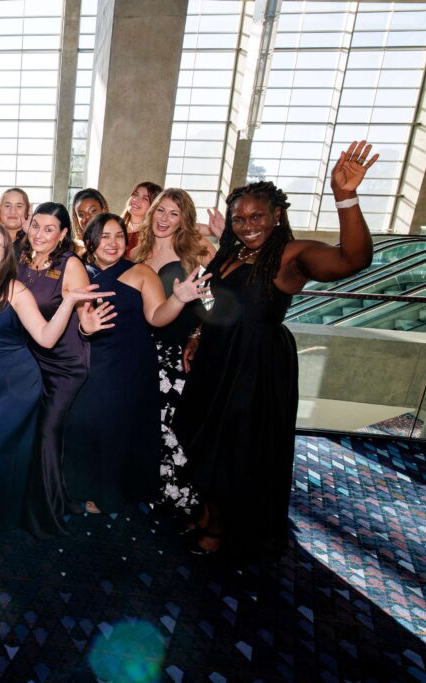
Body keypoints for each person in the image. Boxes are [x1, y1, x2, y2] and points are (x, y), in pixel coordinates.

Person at [175, 141, 378, 554]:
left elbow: (352, 260)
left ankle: (222, 527)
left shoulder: (291, 255)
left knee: (235, 446)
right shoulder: (230, 254)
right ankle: (208, 511)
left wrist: (345, 198)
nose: (247, 225)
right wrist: (197, 336)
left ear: (277, 216)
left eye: (257, 216)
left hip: (254, 364)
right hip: (217, 358)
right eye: (239, 218)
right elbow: (216, 301)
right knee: (206, 437)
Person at [0, 221, 110, 534]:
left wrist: (68, 303)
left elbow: (46, 338)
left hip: (16, 384)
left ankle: (0, 517)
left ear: (5, 253)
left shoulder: (15, 289)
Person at [65, 213, 209, 515]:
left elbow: (157, 317)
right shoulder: (77, 270)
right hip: (88, 358)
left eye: (119, 236)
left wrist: (179, 299)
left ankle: (111, 494)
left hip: (129, 362)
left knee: (116, 427)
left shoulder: (141, 272)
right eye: (104, 236)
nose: (113, 242)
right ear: (90, 239)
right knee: (83, 424)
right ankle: (79, 488)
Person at [131, 188, 216, 517]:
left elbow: (217, 301)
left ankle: (178, 498)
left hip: (173, 357)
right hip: (139, 351)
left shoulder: (195, 252)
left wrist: (197, 334)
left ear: (183, 220)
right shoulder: (137, 252)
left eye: (173, 213)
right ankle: (146, 487)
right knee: (143, 424)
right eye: (161, 210)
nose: (164, 219)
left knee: (171, 428)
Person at [17, 203, 96, 538]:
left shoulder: (70, 264)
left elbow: (86, 315)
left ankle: (44, 513)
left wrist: (89, 328)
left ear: (63, 233)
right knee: (32, 432)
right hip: (29, 359)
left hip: (63, 364)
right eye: (35, 225)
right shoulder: (20, 259)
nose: (39, 234)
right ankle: (55, 497)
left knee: (47, 432)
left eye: (49, 229)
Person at [121, 181, 162, 258]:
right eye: (135, 194)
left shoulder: (154, 236)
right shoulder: (116, 226)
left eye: (145, 198)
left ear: (154, 206)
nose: (135, 199)